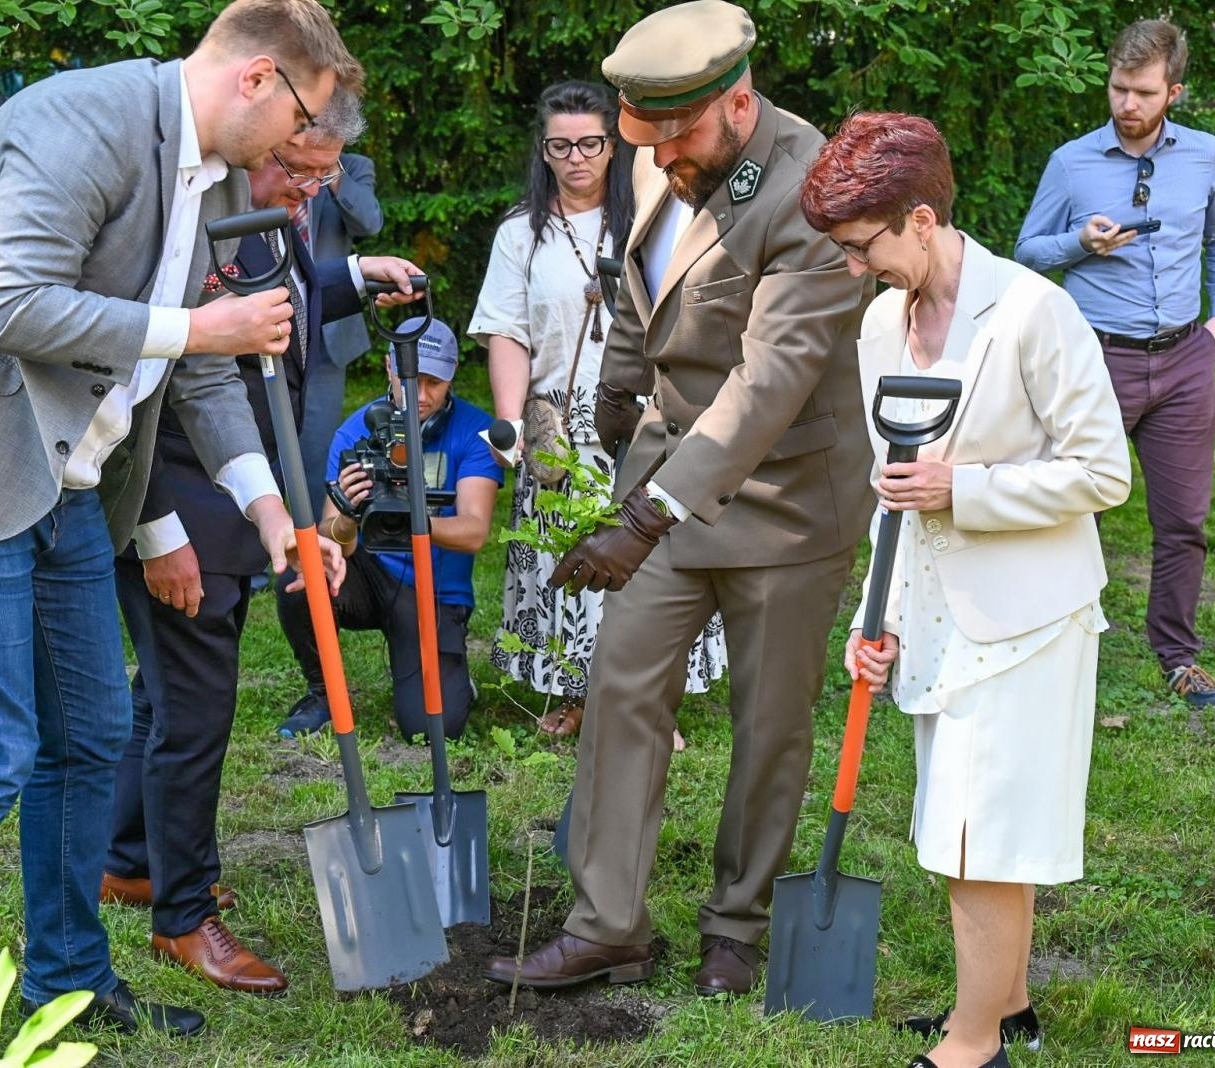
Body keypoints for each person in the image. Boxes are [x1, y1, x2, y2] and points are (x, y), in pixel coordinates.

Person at [0, 1, 357, 1059]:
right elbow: (7, 304)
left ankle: (67, 984)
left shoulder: (201, 172)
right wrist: (199, 324)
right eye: (304, 113)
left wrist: (270, 513)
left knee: (87, 737)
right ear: (259, 80)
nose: (301, 146)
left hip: (67, 478)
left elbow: (197, 366)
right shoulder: (86, 120)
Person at [483, 0, 875, 999]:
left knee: (767, 723)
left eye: (677, 137)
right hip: (662, 484)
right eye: (643, 139)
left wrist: (645, 515)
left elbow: (769, 381)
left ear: (737, 102)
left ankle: (735, 925)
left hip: (783, 502)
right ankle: (607, 922)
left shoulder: (808, 191)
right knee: (619, 689)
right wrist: (619, 402)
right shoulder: (672, 155)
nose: (659, 160)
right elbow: (638, 291)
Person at [802, 112, 1132, 1068]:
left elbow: (1103, 471)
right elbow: (893, 485)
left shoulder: (1035, 312)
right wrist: (883, 616)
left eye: (865, 248)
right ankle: (1012, 1005)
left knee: (976, 835)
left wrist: (969, 489)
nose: (859, 268)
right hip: (939, 611)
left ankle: (974, 1042)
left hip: (1030, 615)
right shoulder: (880, 323)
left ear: (920, 217)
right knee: (965, 819)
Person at [102, 91, 424, 996]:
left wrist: (353, 275)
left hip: (236, 476)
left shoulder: (266, 210)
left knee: (163, 692)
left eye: (323, 177)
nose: (306, 191)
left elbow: (276, 293)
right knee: (196, 707)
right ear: (259, 135)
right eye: (297, 169)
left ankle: (130, 859)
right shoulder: (188, 216)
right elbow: (153, 379)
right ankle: (182, 913)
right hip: (175, 479)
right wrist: (158, 529)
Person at [469, 80, 726, 745]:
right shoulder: (520, 235)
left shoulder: (653, 216)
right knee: (574, 559)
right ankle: (582, 696)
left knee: (653, 561)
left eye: (590, 143)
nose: (577, 158)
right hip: (558, 424)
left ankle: (652, 702)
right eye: (561, 146)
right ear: (544, 149)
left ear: (614, 145)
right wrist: (512, 423)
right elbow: (507, 332)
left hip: (646, 417)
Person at [1015, 19, 1215, 709]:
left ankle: (1178, 656)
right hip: (1096, 363)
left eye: (1143, 92)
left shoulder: (1203, 155)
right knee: (1067, 510)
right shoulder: (1071, 161)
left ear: (1173, 90)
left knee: (1183, 523)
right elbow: (1026, 251)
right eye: (1118, 88)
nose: (1127, 105)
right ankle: (1044, 643)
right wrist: (1079, 244)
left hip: (1184, 362)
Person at [277, 318, 504, 741]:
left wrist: (409, 519)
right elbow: (333, 542)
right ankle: (324, 694)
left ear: (452, 377)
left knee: (434, 728)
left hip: (435, 592)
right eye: (409, 379)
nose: (419, 395)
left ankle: (455, 678)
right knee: (306, 568)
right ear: (388, 368)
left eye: (433, 382)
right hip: (370, 574)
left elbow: (474, 531)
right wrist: (347, 513)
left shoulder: (475, 432)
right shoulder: (356, 429)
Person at [295, 148, 385, 519]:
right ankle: (248, 568)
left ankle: (310, 562)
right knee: (260, 445)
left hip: (328, 336)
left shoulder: (356, 167)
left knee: (317, 453)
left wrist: (331, 172)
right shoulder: (271, 158)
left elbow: (369, 222)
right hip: (268, 319)